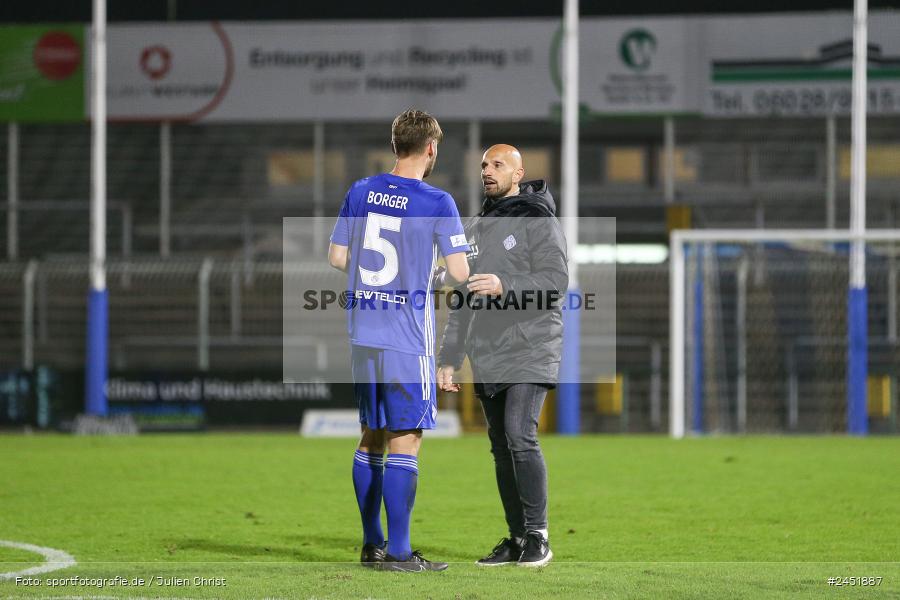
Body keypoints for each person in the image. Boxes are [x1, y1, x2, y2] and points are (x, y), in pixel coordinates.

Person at [328, 109, 470, 572]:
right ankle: (401, 552)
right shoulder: (438, 201)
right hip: (407, 338)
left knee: (370, 437)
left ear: (395, 145)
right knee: (405, 440)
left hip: (363, 334)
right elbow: (459, 273)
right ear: (431, 148)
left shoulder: (361, 191)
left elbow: (337, 257)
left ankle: (372, 545)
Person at [437, 144, 567, 568]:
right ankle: (515, 537)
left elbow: (555, 280)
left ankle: (539, 535)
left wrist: (505, 284)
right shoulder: (476, 226)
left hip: (531, 344)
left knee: (518, 434)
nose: (488, 172)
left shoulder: (538, 218)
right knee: (499, 445)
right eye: (483, 166)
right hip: (488, 350)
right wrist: (449, 358)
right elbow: (463, 296)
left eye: (498, 165)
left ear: (519, 173)